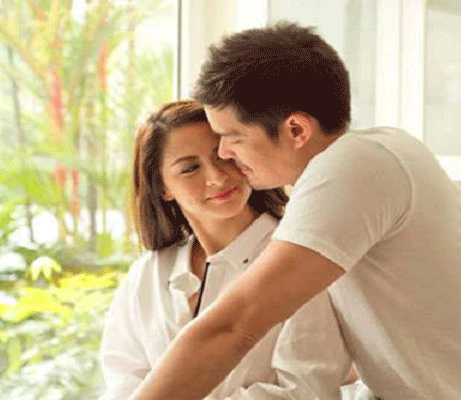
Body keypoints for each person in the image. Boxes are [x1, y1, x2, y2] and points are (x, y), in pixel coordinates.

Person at [130, 24, 461, 400]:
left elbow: (235, 325)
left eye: (232, 137)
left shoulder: (351, 168)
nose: (224, 153)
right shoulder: (378, 153)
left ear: (296, 129)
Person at [99, 100, 353, 400]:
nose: (217, 177)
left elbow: (307, 389)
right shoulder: (148, 274)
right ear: (162, 187)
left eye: (222, 156)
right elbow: (123, 379)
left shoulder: (299, 257)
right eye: (190, 168)